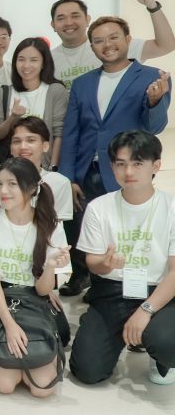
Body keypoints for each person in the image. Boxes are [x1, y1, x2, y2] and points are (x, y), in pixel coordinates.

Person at [59, 16, 171, 297]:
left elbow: (156, 126)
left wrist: (155, 101)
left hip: (126, 170)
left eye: (113, 37)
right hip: (87, 170)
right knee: (85, 228)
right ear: (92, 47)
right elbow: (71, 132)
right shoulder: (83, 83)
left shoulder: (152, 76)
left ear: (128, 39)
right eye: (98, 41)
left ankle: (124, 285)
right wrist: (67, 177)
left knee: (126, 230)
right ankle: (87, 280)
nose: (106, 45)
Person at [70, 131, 175, 386]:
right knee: (87, 370)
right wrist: (104, 264)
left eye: (137, 163)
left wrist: (145, 310)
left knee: (167, 344)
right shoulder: (99, 207)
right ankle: (111, 331)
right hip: (113, 290)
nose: (128, 171)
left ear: (156, 166)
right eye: (121, 163)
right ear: (112, 167)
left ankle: (158, 353)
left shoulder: (171, 207)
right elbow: (93, 263)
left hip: (160, 292)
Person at [0, 117, 74, 343]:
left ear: (45, 145)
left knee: (60, 336)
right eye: (16, 141)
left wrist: (49, 283)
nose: (4, 191)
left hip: (32, 277)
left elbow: (50, 244)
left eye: (30, 140)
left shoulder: (57, 186)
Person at [0, 156, 69, 396]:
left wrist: (50, 267)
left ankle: (23, 357)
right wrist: (10, 325)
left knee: (42, 388)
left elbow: (43, 290)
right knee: (4, 385)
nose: (3, 191)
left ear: (32, 188)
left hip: (33, 298)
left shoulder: (51, 224)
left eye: (12, 184)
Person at [51, 0, 175, 87]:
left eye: (75, 16)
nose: (69, 23)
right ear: (53, 25)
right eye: (61, 18)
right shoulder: (48, 60)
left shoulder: (112, 47)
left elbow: (166, 45)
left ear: (87, 19)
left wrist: (153, 7)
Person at [0, 38, 69, 169]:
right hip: (11, 168)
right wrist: (13, 117)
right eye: (21, 59)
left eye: (34, 60)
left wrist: (53, 167)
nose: (26, 65)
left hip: (43, 167)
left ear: (43, 63)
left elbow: (59, 133)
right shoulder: (4, 92)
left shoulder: (55, 90)